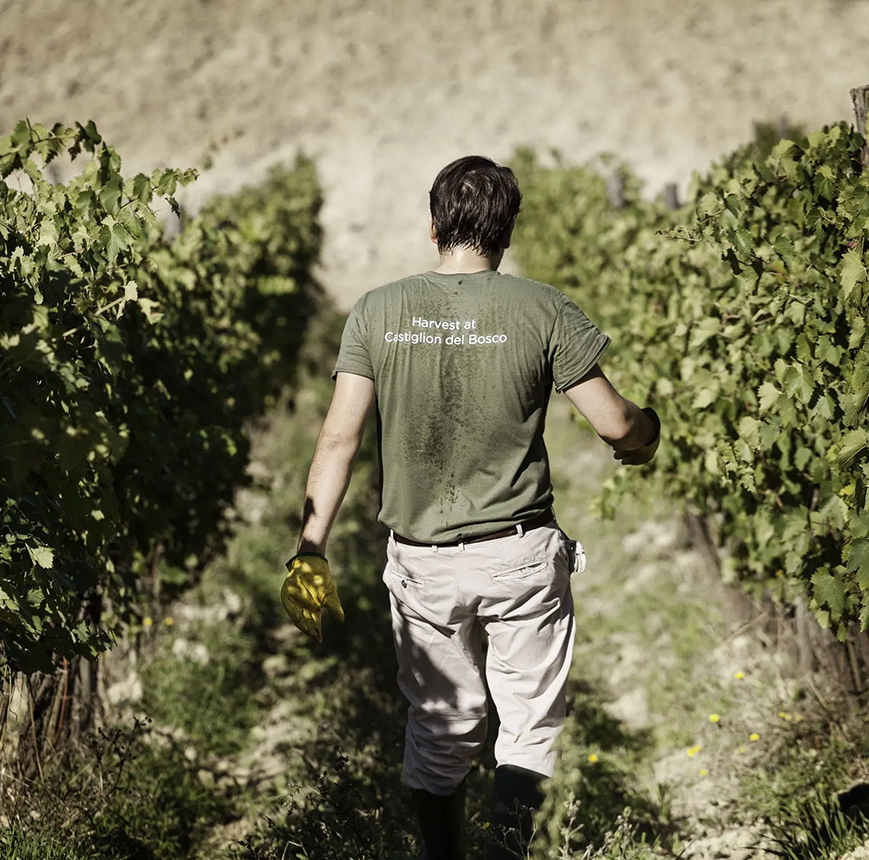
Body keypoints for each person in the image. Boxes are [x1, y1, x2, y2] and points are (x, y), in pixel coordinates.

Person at [280, 155, 659, 860]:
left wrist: (310, 549)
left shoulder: (377, 310)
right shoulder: (544, 309)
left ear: (433, 228)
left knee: (439, 730)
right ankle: (506, 849)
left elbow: (338, 439)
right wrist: (647, 435)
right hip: (520, 555)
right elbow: (614, 424)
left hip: (422, 563)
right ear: (506, 232)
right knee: (528, 725)